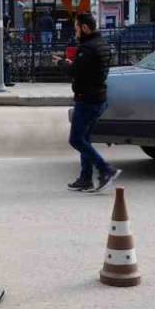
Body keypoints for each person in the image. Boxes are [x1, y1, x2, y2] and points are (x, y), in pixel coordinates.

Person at [56, 13, 119, 193]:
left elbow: (75, 72)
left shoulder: (87, 48)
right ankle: (85, 178)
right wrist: (74, 63)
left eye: (76, 28)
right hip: (98, 97)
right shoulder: (102, 44)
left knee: (76, 140)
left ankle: (106, 169)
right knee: (85, 139)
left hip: (87, 100)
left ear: (85, 28)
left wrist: (62, 64)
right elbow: (87, 69)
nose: (75, 32)